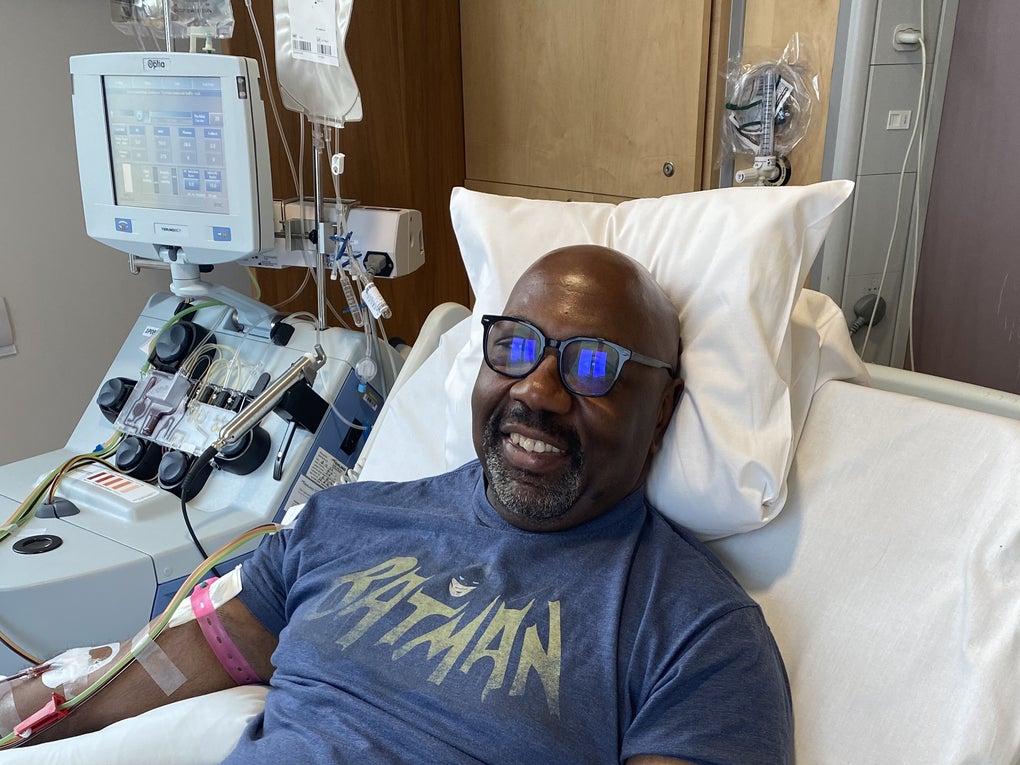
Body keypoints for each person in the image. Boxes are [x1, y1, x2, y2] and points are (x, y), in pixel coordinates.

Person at [2, 245, 793, 763]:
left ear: (662, 409)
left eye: (592, 365)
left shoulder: (696, 632)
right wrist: (21, 709)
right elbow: (166, 663)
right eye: (515, 346)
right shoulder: (345, 521)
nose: (537, 390)